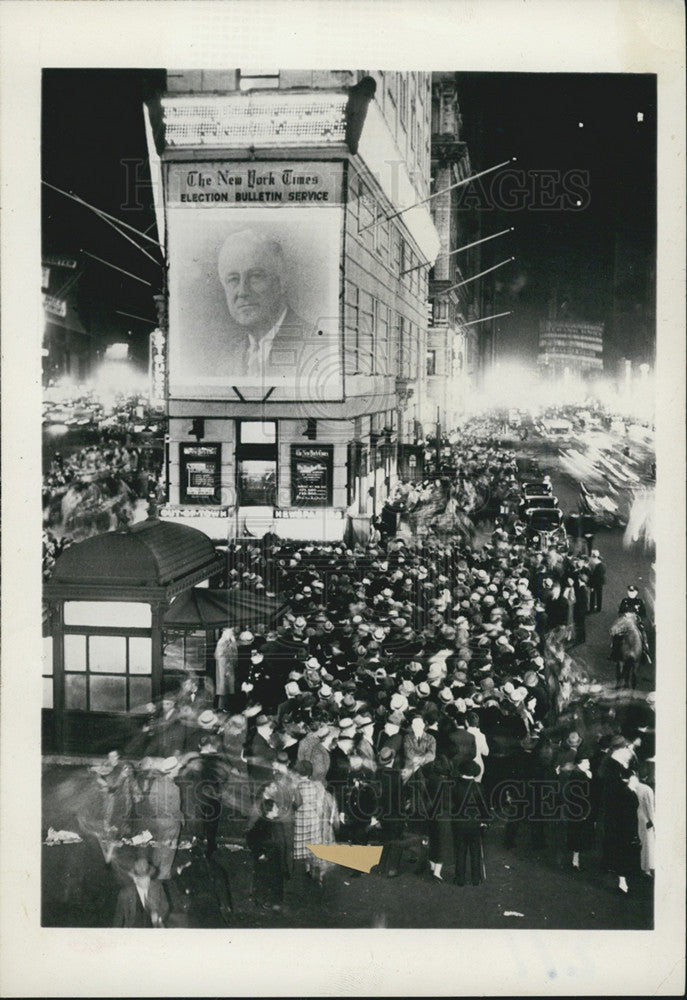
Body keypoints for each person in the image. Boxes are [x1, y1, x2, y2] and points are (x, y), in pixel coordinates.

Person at [217, 230, 311, 381]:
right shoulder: (225, 363)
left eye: (255, 276)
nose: (242, 291)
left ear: (282, 282)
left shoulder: (316, 349)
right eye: (233, 279)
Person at [450, 759, 488, 886]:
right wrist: (485, 821)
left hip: (459, 822)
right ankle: (476, 878)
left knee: (460, 850)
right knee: (475, 850)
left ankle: (459, 879)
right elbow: (484, 807)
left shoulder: (454, 785)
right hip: (475, 823)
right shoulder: (479, 787)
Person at [113, 857, 169, 928]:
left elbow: (165, 906)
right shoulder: (125, 894)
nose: (147, 881)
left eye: (148, 877)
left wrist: (158, 915)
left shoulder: (157, 887)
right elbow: (119, 917)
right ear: (135, 879)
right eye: (143, 879)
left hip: (153, 928)